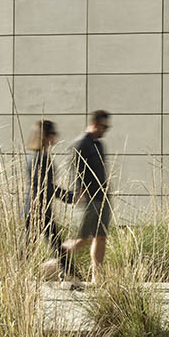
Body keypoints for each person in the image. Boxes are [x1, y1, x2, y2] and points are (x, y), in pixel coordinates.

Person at [41, 110, 112, 286]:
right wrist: (79, 192)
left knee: (100, 237)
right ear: (94, 124)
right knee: (83, 239)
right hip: (88, 199)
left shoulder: (99, 144)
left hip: (102, 197)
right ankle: (48, 266)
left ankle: (97, 279)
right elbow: (75, 168)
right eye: (103, 126)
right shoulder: (81, 143)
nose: (106, 130)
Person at [23, 120, 67, 266]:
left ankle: (70, 273)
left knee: (34, 246)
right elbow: (45, 186)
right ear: (46, 136)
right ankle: (70, 273)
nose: (56, 137)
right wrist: (69, 197)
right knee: (52, 244)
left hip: (40, 207)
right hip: (37, 208)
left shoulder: (40, 156)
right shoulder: (38, 158)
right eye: (54, 134)